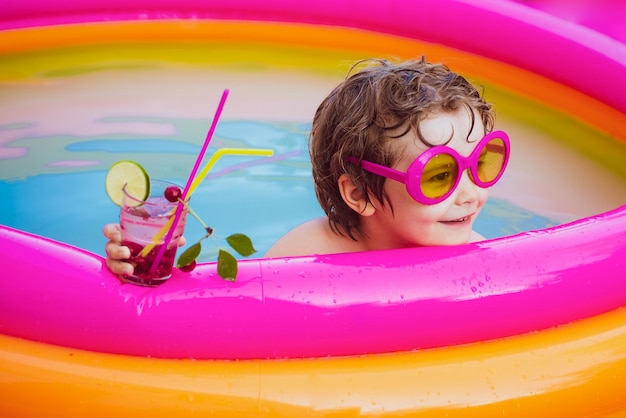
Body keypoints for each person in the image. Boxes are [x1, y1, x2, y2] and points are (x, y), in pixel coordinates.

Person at [104, 57, 509, 275]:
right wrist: (143, 267)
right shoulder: (307, 257)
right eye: (441, 174)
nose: (472, 194)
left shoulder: (475, 251)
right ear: (360, 194)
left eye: (483, 161)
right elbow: (230, 316)